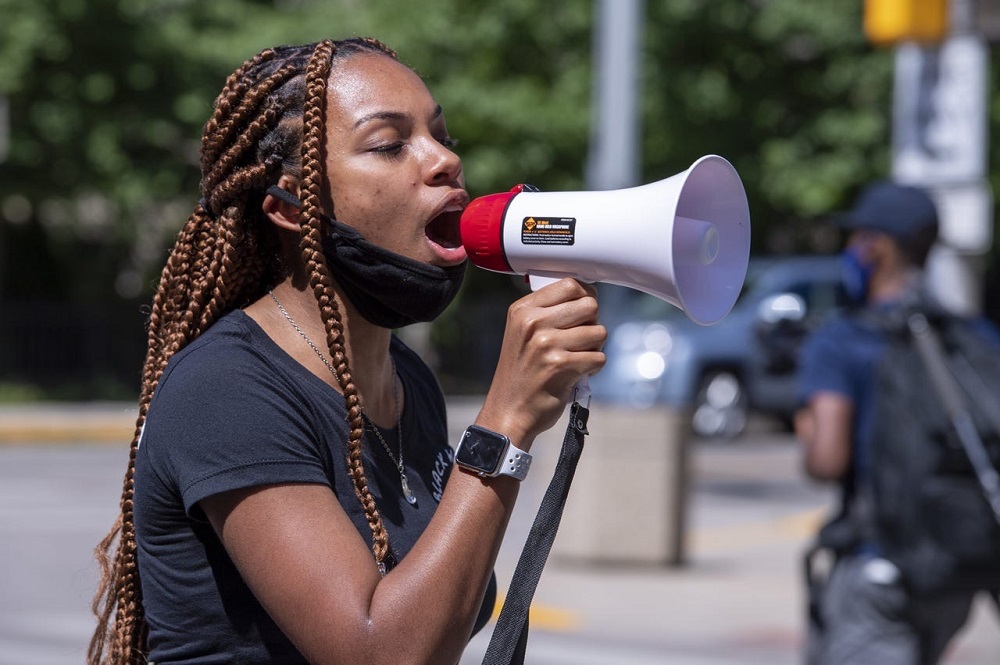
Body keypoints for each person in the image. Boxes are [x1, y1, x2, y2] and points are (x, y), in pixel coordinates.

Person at [88, 37, 606, 665]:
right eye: (389, 144)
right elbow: (379, 652)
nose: (442, 160)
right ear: (288, 206)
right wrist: (505, 423)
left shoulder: (407, 381)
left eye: (442, 136)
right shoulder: (228, 388)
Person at [794, 181, 996, 664]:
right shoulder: (972, 334)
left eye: (856, 237)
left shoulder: (843, 340)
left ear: (876, 246)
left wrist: (804, 422)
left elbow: (826, 461)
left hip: (879, 568)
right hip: (955, 574)